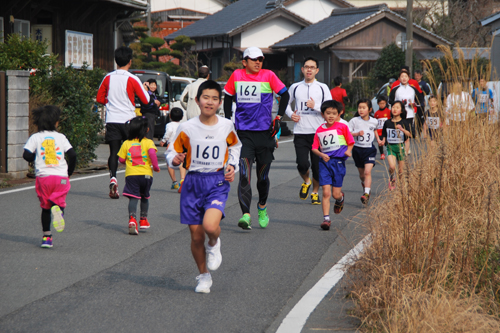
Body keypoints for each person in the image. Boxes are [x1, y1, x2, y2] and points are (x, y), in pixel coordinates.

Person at [166, 80, 241, 293]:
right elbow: (172, 151)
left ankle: (214, 242)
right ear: (197, 101)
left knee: (209, 226)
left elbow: (235, 147)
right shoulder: (187, 127)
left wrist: (231, 165)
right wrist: (175, 159)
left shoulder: (226, 125)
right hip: (192, 182)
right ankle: (203, 276)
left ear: (219, 102)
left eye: (214, 98)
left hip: (217, 181)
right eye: (205, 97)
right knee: (196, 235)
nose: (209, 102)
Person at [223, 46, 289, 230]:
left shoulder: (269, 75)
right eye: (253, 59)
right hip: (243, 134)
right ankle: (246, 214)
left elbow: (285, 94)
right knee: (244, 175)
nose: (258, 62)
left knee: (262, 178)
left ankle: (261, 206)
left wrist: (279, 117)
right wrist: (229, 121)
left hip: (265, 133)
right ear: (245, 62)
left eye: (260, 59)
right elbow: (227, 97)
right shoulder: (236, 75)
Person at [97, 46, 150, 199]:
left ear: (116, 61)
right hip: (128, 121)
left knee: (114, 152)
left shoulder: (108, 77)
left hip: (112, 119)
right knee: (132, 151)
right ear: (130, 61)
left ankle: (113, 178)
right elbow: (146, 100)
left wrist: (110, 102)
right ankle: (133, 183)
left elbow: (100, 98)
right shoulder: (133, 79)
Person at [23, 105, 77, 248]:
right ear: (55, 123)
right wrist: (69, 173)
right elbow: (72, 155)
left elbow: (26, 155)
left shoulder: (35, 137)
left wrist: (37, 156)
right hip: (61, 177)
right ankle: (58, 210)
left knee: (45, 208)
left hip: (44, 178)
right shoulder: (61, 137)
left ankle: (47, 237)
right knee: (58, 201)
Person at [286, 56, 332, 205]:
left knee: (317, 168)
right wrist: (290, 114)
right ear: (302, 69)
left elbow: (331, 109)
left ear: (317, 70)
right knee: (302, 164)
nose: (309, 70)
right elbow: (285, 103)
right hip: (300, 131)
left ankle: (314, 193)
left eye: (312, 67)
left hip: (318, 133)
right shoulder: (295, 87)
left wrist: (316, 107)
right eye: (307, 67)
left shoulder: (323, 87)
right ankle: (306, 181)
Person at [311, 100, 354, 230]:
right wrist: (321, 155)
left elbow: (351, 141)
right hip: (324, 163)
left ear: (338, 114)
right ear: (322, 114)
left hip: (339, 163)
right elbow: (314, 148)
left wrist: (349, 151)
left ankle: (340, 199)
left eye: (334, 113)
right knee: (325, 192)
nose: (330, 116)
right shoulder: (319, 130)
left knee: (335, 194)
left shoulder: (343, 127)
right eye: (328, 113)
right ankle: (326, 219)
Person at [117, 116, 160, 235]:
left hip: (131, 175)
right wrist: (155, 167)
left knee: (133, 197)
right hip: (146, 175)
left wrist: (127, 159)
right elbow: (152, 153)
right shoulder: (149, 142)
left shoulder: (126, 143)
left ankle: (132, 219)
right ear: (146, 130)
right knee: (145, 197)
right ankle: (143, 219)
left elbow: (121, 159)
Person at [348, 99, 379, 205]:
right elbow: (347, 133)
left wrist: (379, 140)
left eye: (363, 107)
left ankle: (366, 193)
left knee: (367, 172)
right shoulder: (354, 121)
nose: (361, 110)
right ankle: (364, 184)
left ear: (369, 109)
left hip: (369, 150)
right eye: (359, 107)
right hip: (357, 149)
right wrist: (356, 134)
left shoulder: (374, 121)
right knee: (362, 175)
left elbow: (375, 129)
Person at [389, 67, 424, 151]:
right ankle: (399, 148)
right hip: (398, 114)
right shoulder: (395, 89)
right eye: (402, 76)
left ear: (409, 78)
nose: (404, 78)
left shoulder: (413, 89)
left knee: (407, 132)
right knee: (399, 131)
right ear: (399, 78)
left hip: (410, 113)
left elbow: (420, 99)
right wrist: (396, 106)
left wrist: (415, 104)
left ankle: (407, 150)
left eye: (406, 76)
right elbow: (390, 100)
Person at [380, 101, 412, 190]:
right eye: (393, 107)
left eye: (397, 107)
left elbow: (410, 135)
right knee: (392, 166)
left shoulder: (404, 122)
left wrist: (402, 129)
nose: (394, 109)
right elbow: (384, 134)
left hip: (401, 147)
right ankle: (392, 177)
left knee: (401, 171)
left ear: (401, 111)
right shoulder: (387, 122)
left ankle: (401, 189)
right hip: (390, 147)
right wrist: (382, 141)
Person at [160, 107, 186, 190]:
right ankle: (182, 179)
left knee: (169, 162)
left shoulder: (169, 125)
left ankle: (174, 182)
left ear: (170, 116)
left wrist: (163, 140)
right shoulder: (183, 125)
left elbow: (168, 132)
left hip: (171, 145)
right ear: (182, 117)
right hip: (181, 145)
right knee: (181, 161)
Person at [373, 95, 391, 160]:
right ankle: (382, 154)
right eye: (380, 103)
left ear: (386, 103)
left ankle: (389, 152)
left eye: (383, 103)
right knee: (380, 143)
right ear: (378, 104)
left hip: (387, 131)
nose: (382, 105)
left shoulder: (389, 111)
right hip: (379, 131)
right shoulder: (376, 113)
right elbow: (375, 122)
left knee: (387, 143)